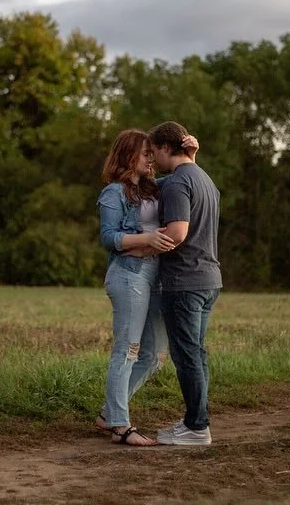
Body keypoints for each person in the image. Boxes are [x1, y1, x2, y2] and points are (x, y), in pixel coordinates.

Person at [95, 128, 198, 446]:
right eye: (146, 154)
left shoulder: (156, 188)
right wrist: (146, 239)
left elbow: (180, 175)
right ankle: (119, 425)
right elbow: (108, 238)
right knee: (127, 349)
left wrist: (191, 156)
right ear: (128, 156)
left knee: (154, 354)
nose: (152, 159)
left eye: (153, 153)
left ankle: (109, 413)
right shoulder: (114, 193)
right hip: (128, 277)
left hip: (153, 277)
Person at [148, 120, 221, 446]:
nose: (151, 160)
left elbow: (177, 233)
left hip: (184, 282)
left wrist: (138, 241)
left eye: (153, 152)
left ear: (166, 148)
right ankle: (196, 421)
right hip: (208, 280)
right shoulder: (203, 178)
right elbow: (153, 182)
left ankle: (196, 427)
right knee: (196, 354)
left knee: (187, 355)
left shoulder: (178, 183)